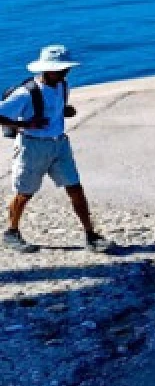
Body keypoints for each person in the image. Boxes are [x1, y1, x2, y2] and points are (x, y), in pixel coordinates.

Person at [0, 45, 112, 253]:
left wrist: (64, 110)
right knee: (24, 192)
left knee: (75, 188)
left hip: (59, 144)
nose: (64, 72)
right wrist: (26, 125)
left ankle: (90, 234)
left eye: (65, 69)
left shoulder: (62, 86)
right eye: (60, 69)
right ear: (46, 69)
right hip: (32, 147)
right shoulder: (25, 93)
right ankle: (11, 232)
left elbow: (54, 108)